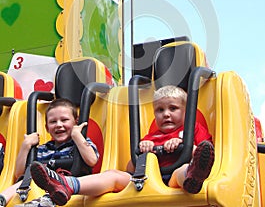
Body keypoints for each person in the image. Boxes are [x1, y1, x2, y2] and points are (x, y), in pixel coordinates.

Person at [28, 85, 215, 206]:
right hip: (147, 180)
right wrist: (142, 153)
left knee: (183, 170)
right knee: (114, 175)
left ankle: (193, 179)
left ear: (186, 111)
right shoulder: (151, 136)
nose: (166, 114)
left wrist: (185, 146)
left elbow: (206, 153)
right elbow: (131, 169)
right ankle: (68, 184)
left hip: (175, 181)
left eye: (173, 109)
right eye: (159, 110)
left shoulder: (191, 130)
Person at [0, 98, 99, 207]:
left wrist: (77, 136)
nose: (58, 125)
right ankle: (2, 199)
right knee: (23, 182)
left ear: (76, 121)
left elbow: (92, 160)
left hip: (69, 188)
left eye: (64, 120)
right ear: (47, 128)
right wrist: (26, 146)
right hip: (41, 189)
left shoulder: (80, 143)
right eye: (53, 122)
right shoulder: (43, 149)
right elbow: (21, 174)